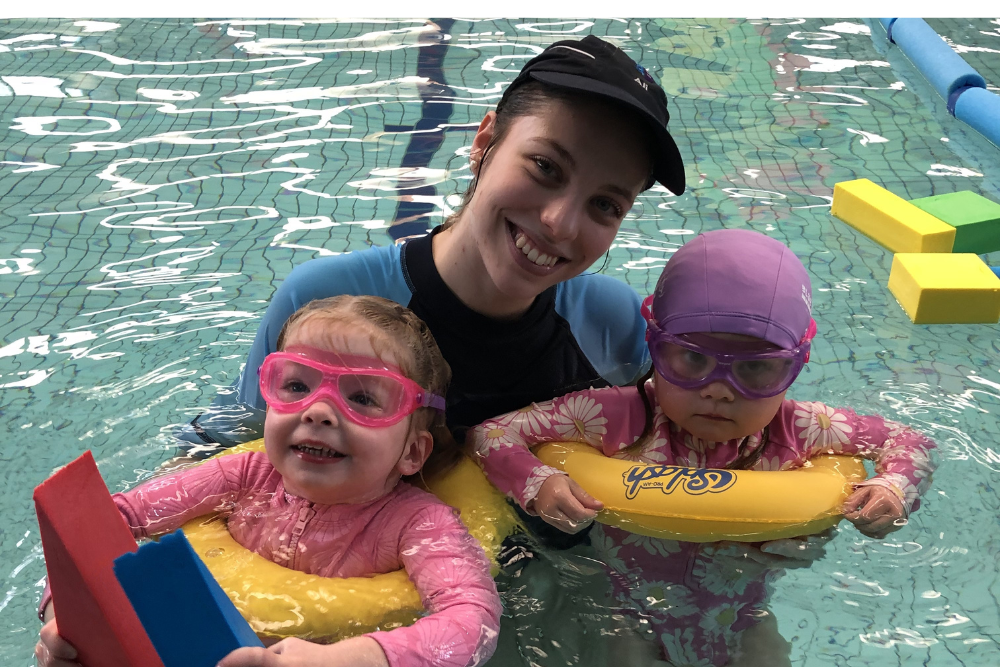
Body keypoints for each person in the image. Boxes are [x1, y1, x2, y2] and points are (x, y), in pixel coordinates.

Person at [179, 34, 687, 455]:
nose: (559, 223)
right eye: (545, 167)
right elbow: (218, 456)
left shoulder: (616, 326)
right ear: (485, 143)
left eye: (605, 204)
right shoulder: (327, 303)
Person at [466, 229, 937, 667]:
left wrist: (891, 489)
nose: (719, 389)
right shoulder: (613, 417)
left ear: (795, 366)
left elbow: (908, 440)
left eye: (756, 368)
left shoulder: (802, 429)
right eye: (692, 358)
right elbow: (492, 433)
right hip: (626, 610)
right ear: (655, 342)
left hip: (741, 615)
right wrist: (537, 481)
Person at [35, 295, 502, 667]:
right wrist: (67, 620)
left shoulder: (417, 524)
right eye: (296, 385)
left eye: (362, 397)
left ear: (412, 452)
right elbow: (112, 520)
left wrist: (344, 660)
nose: (317, 411)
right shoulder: (242, 475)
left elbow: (472, 620)